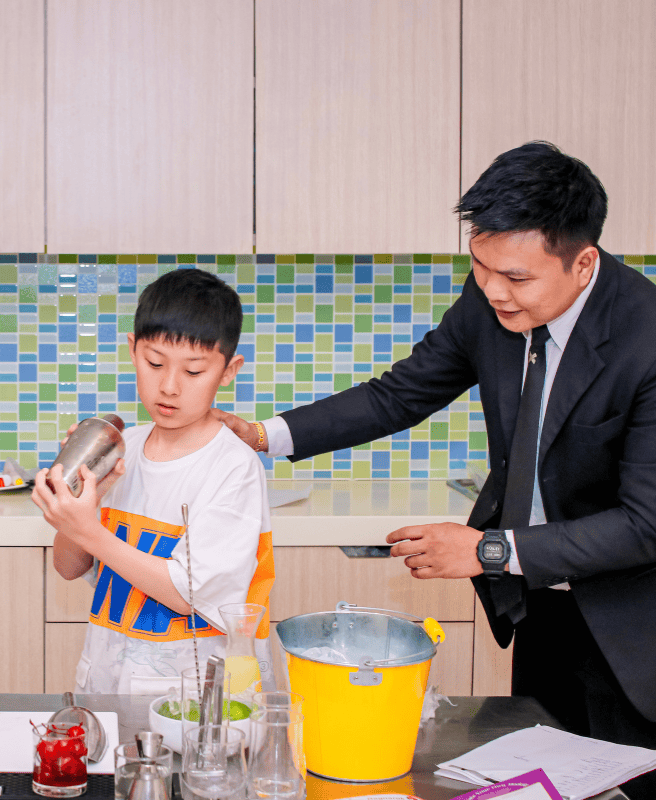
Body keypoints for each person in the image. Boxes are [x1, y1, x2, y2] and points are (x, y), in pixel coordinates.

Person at [215, 142, 656, 776]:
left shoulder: (647, 339)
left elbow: (645, 525)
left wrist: (485, 550)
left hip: (634, 630)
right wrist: (264, 436)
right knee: (545, 780)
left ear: (583, 263)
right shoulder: (492, 301)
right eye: (480, 265)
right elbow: (398, 395)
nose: (493, 291)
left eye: (516, 278)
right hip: (542, 607)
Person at [32, 268, 275, 694]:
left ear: (229, 370)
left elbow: (190, 595)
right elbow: (69, 567)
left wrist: (91, 531)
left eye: (194, 372)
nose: (169, 386)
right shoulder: (122, 449)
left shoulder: (233, 467)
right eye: (154, 362)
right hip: (111, 684)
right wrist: (77, 510)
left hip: (201, 699)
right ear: (133, 350)